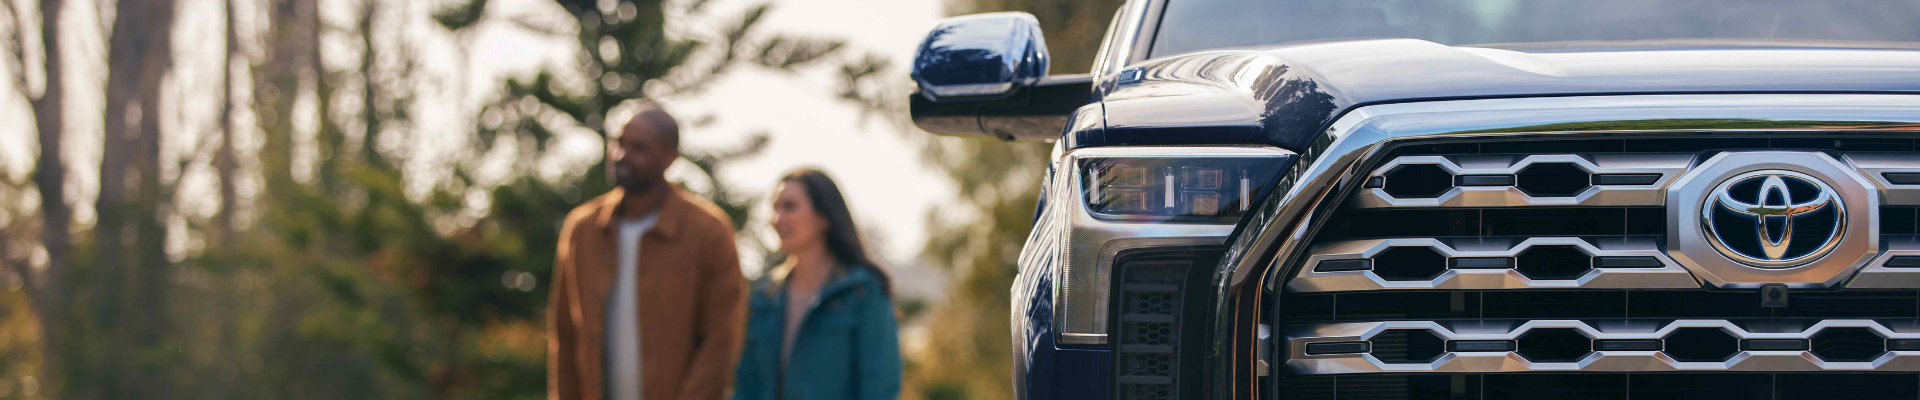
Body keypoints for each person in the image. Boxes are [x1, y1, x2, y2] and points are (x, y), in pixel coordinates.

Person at [549, 101, 747, 400]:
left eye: (639, 147)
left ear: (670, 158)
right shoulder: (583, 229)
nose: (620, 155)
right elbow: (564, 336)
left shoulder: (709, 232)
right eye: (618, 142)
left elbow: (722, 341)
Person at [733, 169, 902, 400]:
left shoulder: (863, 291)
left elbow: (880, 389)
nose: (777, 219)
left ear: (823, 216)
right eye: (775, 207)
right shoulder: (765, 297)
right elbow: (747, 387)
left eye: (790, 207)